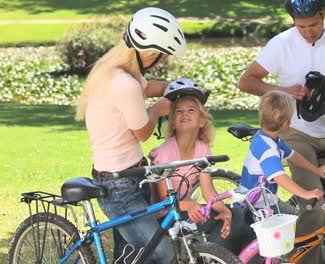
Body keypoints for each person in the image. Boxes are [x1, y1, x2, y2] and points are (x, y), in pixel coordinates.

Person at [238, 1, 325, 262]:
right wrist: (285, 92)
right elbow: (247, 81)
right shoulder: (281, 43)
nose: (308, 31)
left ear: (323, 15)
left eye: (313, 24)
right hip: (295, 132)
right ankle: (291, 259)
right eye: (301, 26)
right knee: (314, 205)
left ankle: (315, 255)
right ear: (292, 22)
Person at [75, 7, 187, 264]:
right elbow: (143, 132)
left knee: (130, 255)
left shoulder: (118, 72)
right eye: (163, 56)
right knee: (161, 251)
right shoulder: (124, 84)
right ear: (150, 53)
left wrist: (178, 87)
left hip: (130, 176)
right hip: (118, 187)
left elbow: (150, 88)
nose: (165, 60)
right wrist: (160, 108)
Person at [148, 78, 252, 254]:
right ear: (172, 121)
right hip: (166, 217)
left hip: (188, 209)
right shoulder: (165, 153)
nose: (185, 114)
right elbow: (163, 201)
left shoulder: (202, 148)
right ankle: (207, 254)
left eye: (191, 110)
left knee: (236, 216)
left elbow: (208, 191)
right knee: (220, 226)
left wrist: (224, 210)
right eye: (179, 111)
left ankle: (217, 255)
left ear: (201, 121)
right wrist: (189, 205)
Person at [237, 90, 325, 220]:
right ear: (286, 123)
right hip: (256, 207)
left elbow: (293, 156)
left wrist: (316, 170)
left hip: (264, 201)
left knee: (296, 222)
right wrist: (305, 194)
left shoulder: (267, 137)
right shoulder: (268, 149)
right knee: (295, 225)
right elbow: (280, 177)